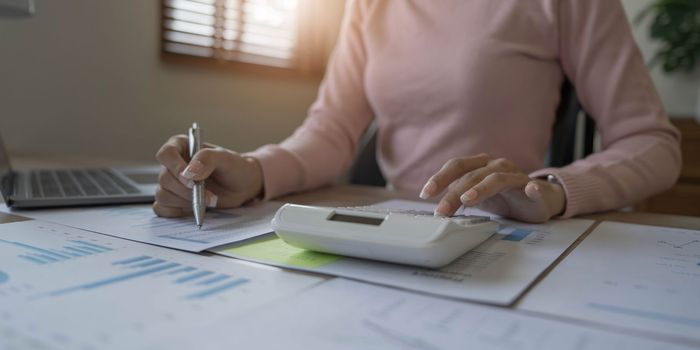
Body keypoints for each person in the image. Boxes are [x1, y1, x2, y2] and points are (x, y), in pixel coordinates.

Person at [153, 0, 681, 223]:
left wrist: (553, 190)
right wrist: (256, 170)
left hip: (501, 234)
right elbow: (333, 130)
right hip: (389, 230)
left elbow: (652, 143)